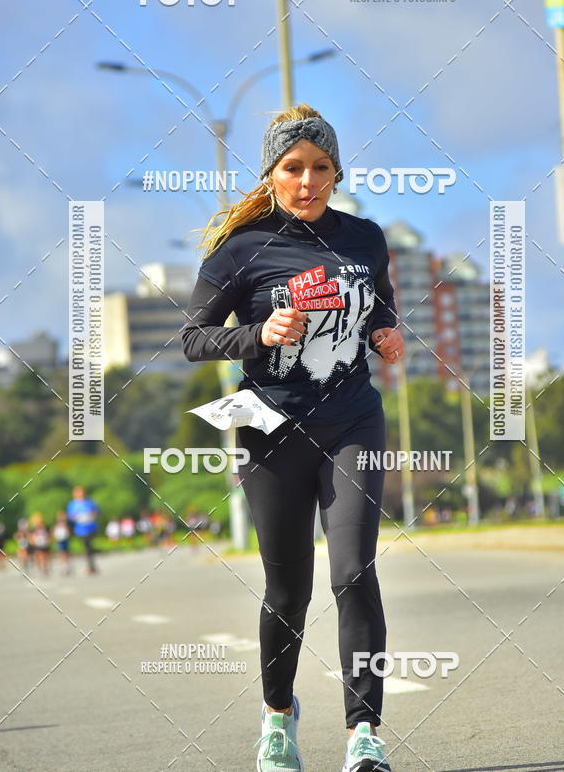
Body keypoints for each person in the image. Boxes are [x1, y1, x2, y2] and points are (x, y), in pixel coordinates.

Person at [182, 104, 404, 772]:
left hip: (352, 422)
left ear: (337, 172)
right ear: (272, 173)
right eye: (293, 168)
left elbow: (382, 309)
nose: (308, 181)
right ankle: (278, 717)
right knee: (288, 588)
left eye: (320, 168)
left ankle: (365, 734)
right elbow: (193, 338)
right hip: (270, 428)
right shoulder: (241, 250)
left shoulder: (365, 238)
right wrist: (257, 335)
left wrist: (386, 336)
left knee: (353, 571)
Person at [66, 486, 99, 575]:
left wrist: (92, 515)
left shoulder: (90, 502)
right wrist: (77, 517)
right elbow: (70, 516)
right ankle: (90, 566)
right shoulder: (72, 504)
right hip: (80, 529)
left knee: (89, 547)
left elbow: (97, 511)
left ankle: (91, 566)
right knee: (87, 547)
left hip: (91, 527)